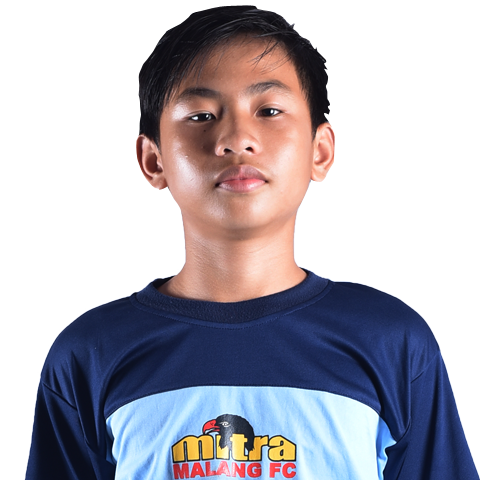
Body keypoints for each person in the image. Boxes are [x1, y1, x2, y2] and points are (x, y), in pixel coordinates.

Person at [26, 5, 479, 479]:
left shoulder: (391, 342)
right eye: (201, 115)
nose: (237, 138)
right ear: (153, 160)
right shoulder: (90, 354)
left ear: (320, 151)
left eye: (269, 111)